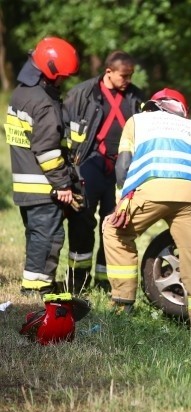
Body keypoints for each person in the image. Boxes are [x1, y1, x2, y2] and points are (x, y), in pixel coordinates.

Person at [102, 88, 191, 337]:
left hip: (151, 187)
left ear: (153, 105)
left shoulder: (137, 121)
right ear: (181, 109)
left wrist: (122, 201)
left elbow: (123, 164)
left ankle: (122, 303)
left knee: (114, 231)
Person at [64, 50, 144, 293]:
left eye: (131, 75)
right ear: (109, 72)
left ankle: (104, 281)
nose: (128, 80)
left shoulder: (135, 96)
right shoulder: (83, 93)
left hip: (121, 170)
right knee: (82, 223)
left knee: (114, 226)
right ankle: (78, 282)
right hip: (89, 165)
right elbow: (64, 127)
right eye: (124, 75)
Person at [5, 37, 80, 295]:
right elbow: (47, 150)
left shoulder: (20, 93)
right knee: (48, 239)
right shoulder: (45, 103)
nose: (62, 81)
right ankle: (36, 290)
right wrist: (62, 184)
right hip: (44, 186)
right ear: (48, 71)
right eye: (60, 76)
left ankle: (33, 286)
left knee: (36, 237)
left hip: (24, 185)